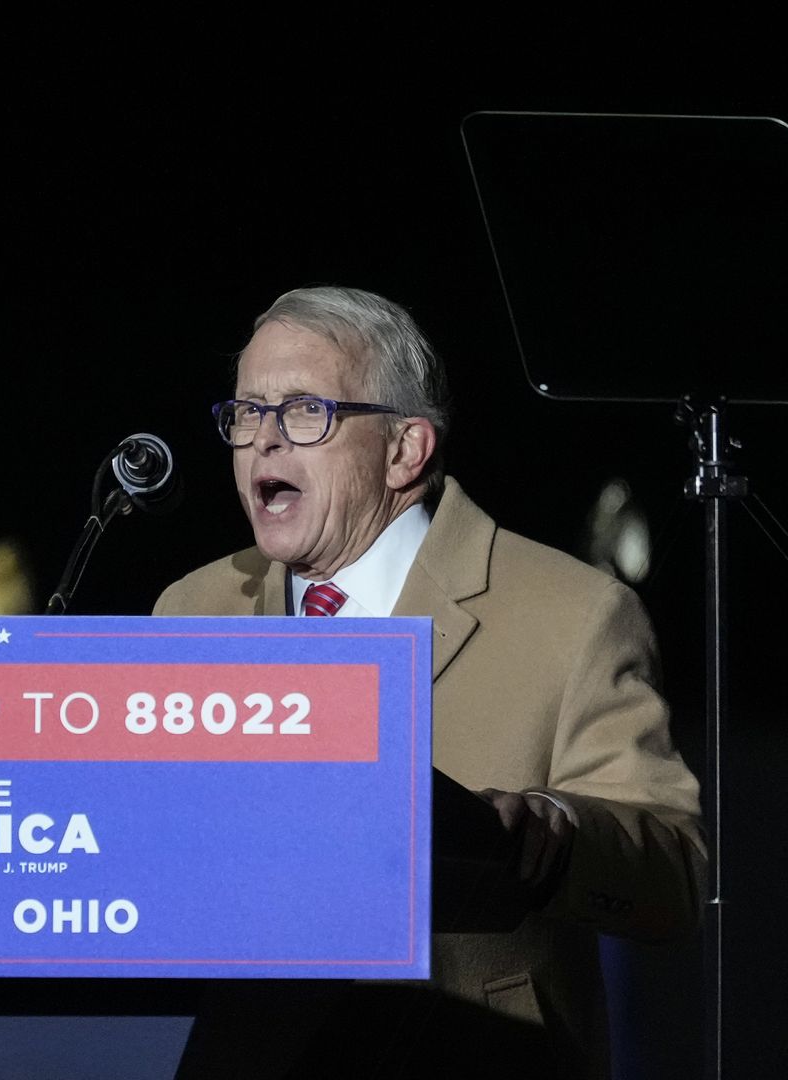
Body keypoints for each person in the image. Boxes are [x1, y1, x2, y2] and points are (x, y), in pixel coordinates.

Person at [154, 286, 706, 1078]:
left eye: (303, 411)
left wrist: (556, 833)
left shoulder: (572, 613)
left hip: (472, 1057)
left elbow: (671, 874)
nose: (263, 445)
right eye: (246, 414)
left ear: (405, 449)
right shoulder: (193, 610)